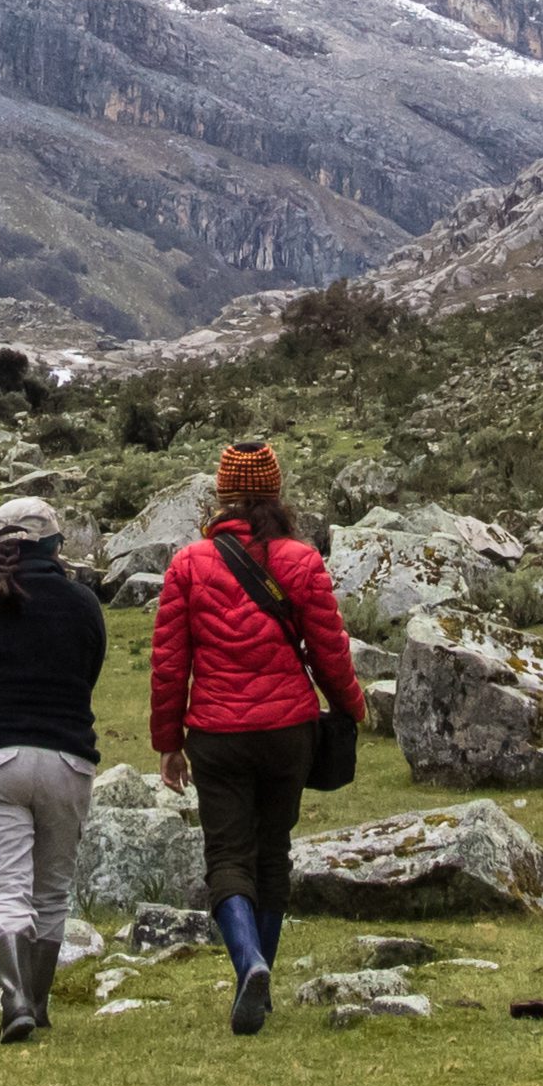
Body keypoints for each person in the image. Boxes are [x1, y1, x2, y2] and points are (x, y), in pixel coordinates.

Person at [146, 443, 359, 1035]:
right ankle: (260, 980)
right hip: (290, 730)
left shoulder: (189, 564)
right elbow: (330, 649)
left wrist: (169, 740)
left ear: (221, 495)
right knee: (273, 855)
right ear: (276, 494)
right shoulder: (302, 559)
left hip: (216, 734)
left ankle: (249, 965)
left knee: (227, 857)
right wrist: (352, 708)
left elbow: (169, 664)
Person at [0, 494, 108, 1044]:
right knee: (52, 891)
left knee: (4, 888)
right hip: (67, 759)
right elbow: (91, 671)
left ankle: (13, 999)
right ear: (53, 543)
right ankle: (39, 998)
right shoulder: (82, 604)